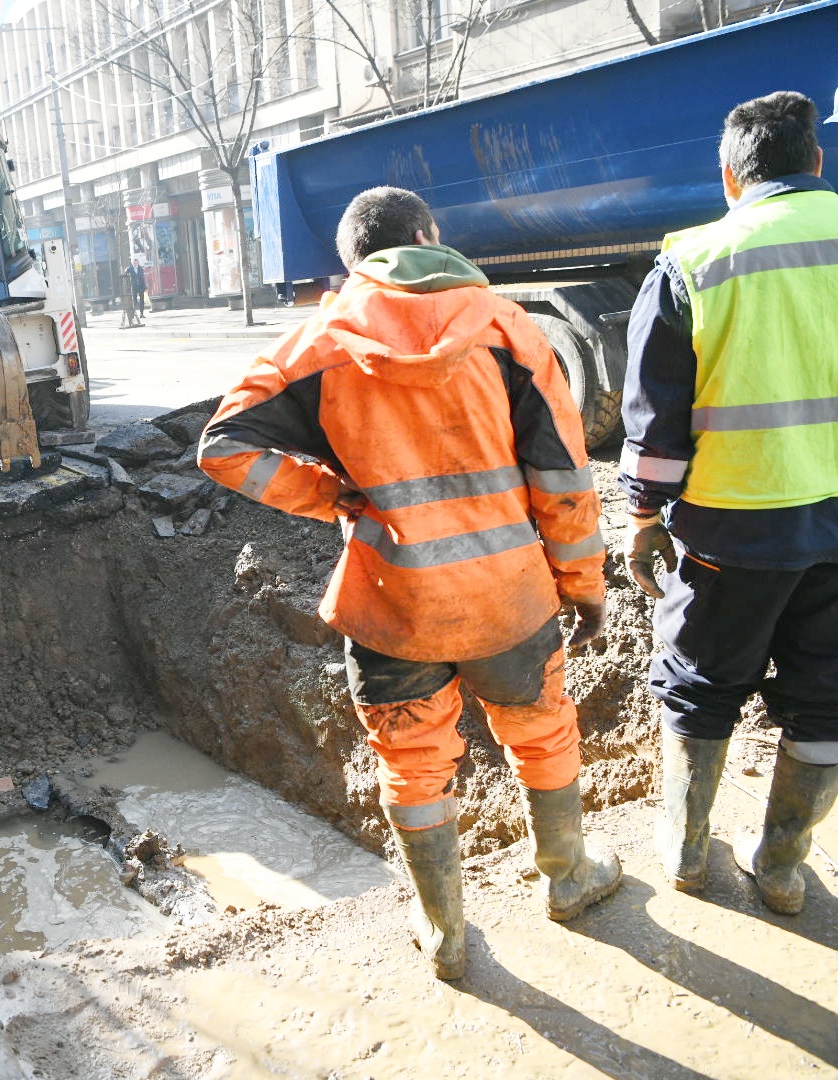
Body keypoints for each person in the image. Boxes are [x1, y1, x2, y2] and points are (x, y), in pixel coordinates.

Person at [198, 186, 617, 980]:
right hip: (509, 598)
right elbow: (565, 479)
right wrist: (584, 583)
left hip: (393, 605)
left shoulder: (320, 341)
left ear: (354, 261)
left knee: (413, 763)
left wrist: (328, 496)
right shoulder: (508, 329)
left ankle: (444, 934)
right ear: (428, 236)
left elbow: (222, 447)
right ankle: (569, 880)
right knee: (540, 731)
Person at [621, 90, 838, 916]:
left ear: (729, 178)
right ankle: (781, 867)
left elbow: (655, 422)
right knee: (828, 693)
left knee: (700, 684)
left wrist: (642, 521)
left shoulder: (695, 260)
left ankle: (683, 854)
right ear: (817, 163)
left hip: (733, 528)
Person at [124, 257, 148, 325]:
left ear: (138, 263)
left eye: (136, 262)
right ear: (132, 263)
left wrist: (145, 287)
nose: (135, 264)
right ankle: (133, 313)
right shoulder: (130, 268)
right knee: (134, 300)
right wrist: (126, 270)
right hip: (133, 287)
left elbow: (143, 278)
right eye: (134, 263)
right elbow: (125, 272)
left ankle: (141, 313)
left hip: (140, 286)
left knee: (142, 300)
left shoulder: (140, 268)